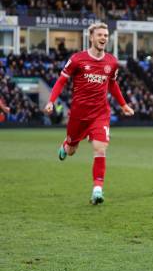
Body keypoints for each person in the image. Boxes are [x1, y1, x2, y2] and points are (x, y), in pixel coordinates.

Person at [44, 22, 134, 204]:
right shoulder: (77, 59)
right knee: (71, 151)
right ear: (91, 37)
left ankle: (97, 190)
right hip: (78, 115)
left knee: (100, 148)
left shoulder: (112, 62)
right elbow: (61, 81)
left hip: (100, 113)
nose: (103, 38)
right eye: (100, 35)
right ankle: (65, 145)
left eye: (106, 35)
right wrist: (51, 101)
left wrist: (123, 105)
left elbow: (112, 84)